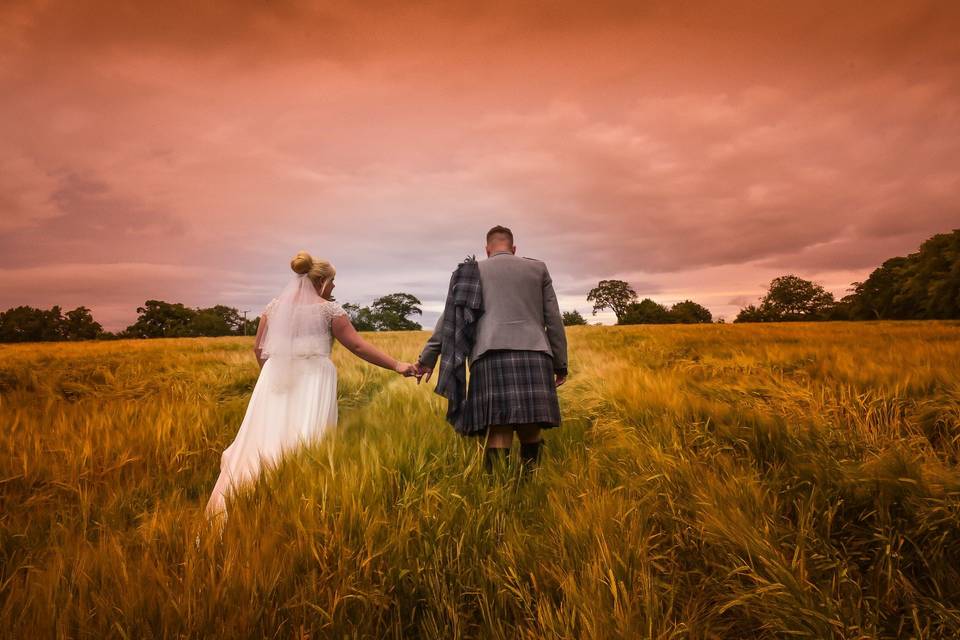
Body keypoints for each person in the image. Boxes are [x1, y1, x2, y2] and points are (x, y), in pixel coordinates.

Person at [204, 250, 417, 522]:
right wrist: (397, 365)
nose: (334, 287)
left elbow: (259, 348)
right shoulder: (329, 310)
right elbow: (356, 345)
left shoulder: (274, 308)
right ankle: (294, 511)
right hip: (314, 379)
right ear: (322, 282)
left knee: (265, 438)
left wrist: (276, 375)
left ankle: (241, 505)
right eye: (332, 282)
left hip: (274, 379)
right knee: (306, 441)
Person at [414, 225, 568, 473]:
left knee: (498, 428)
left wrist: (427, 359)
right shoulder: (538, 269)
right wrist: (560, 363)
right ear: (514, 248)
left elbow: (449, 320)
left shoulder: (469, 273)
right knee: (531, 428)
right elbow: (553, 319)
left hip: (489, 357)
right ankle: (530, 489)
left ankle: (499, 493)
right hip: (536, 355)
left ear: (487, 250)